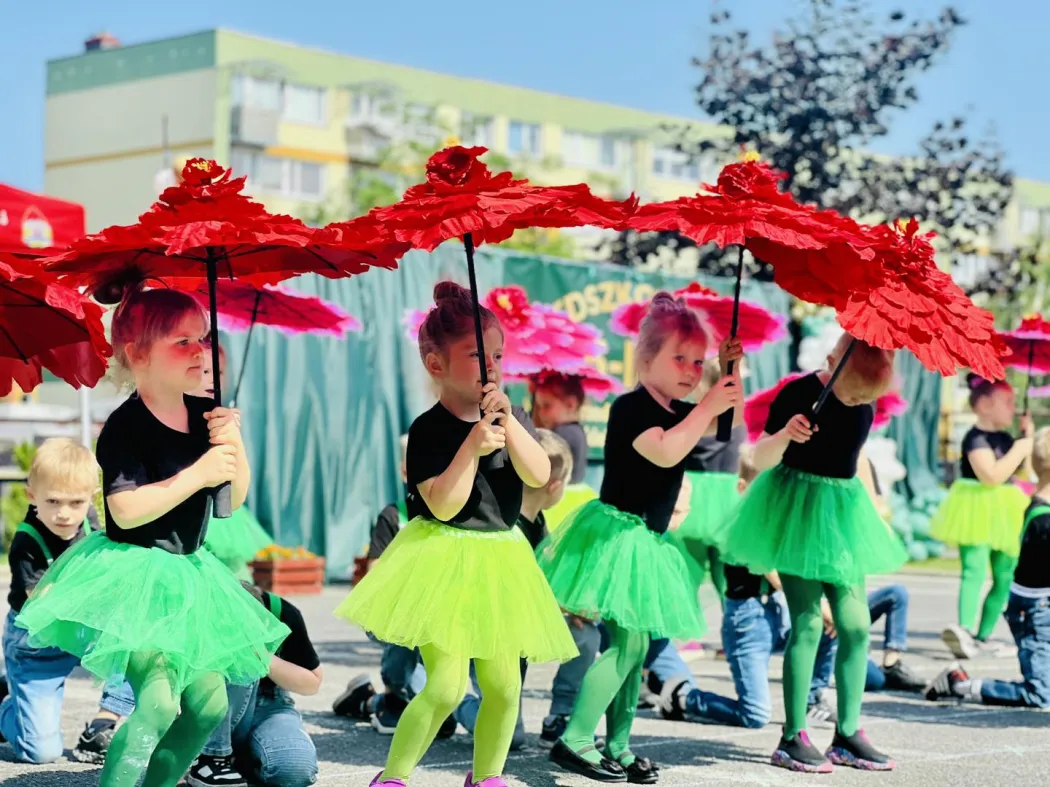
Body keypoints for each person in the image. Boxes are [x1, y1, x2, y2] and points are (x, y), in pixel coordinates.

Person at [14, 285, 289, 787]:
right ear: (138, 355)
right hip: (137, 574)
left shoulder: (205, 417)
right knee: (159, 703)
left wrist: (233, 445)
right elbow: (125, 508)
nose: (200, 351)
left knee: (207, 707)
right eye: (183, 342)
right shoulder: (126, 426)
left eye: (202, 339)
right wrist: (198, 474)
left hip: (190, 575)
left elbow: (234, 499)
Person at [335, 281, 576, 787]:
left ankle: (485, 776)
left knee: (505, 685)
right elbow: (443, 503)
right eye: (477, 355)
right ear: (436, 364)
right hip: (442, 559)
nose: (493, 366)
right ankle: (394, 776)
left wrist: (509, 425)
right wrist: (471, 444)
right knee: (444, 687)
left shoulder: (514, 417)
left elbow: (537, 474)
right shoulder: (429, 429)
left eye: (498, 355)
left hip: (501, 560)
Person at [538, 291, 742, 783]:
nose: (692, 371)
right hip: (618, 538)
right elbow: (667, 451)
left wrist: (729, 373)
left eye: (698, 362)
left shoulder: (677, 410)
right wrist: (709, 402)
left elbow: (716, 434)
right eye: (680, 358)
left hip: (647, 542)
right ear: (644, 357)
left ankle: (620, 744)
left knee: (638, 645)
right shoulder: (631, 408)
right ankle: (576, 737)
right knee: (626, 647)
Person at [716, 335, 908, 773]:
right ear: (838, 363)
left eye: (867, 397)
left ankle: (848, 731)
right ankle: (793, 736)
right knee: (806, 622)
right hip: (794, 510)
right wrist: (786, 434)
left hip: (841, 516)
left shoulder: (865, 402)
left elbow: (850, 460)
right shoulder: (800, 393)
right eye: (856, 391)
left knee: (857, 625)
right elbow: (759, 459)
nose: (861, 402)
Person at [657, 450, 924, 734]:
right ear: (744, 488)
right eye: (767, 485)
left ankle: (813, 696)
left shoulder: (782, 516)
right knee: (755, 714)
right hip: (748, 624)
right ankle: (684, 697)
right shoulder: (736, 522)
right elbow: (769, 569)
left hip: (776, 611)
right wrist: (823, 606)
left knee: (828, 628)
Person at [0, 439, 136, 764]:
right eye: (53, 501)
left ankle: (107, 719)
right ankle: (8, 707)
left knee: (137, 641)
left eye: (75, 503)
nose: (64, 514)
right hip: (37, 644)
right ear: (32, 497)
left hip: (82, 628)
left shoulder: (88, 520)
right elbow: (45, 603)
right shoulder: (27, 543)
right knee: (40, 753)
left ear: (91, 498)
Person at [456, 428, 578, 749]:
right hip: (491, 629)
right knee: (510, 733)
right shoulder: (510, 527)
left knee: (510, 706)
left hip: (516, 629)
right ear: (554, 486)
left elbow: (542, 577)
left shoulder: (538, 523)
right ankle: (458, 706)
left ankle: (551, 711)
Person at [925, 426, 1050, 708]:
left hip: (1038, 609)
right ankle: (960, 685)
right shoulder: (1043, 521)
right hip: (1035, 615)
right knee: (1040, 695)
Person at [333, 435, 446, 738]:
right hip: (399, 615)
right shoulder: (394, 516)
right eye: (420, 469)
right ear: (405, 472)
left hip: (438, 621)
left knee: (442, 714)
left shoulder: (456, 521)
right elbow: (375, 570)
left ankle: (367, 698)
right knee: (430, 706)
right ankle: (386, 694)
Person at [931, 374, 1032, 659]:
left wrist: (1027, 439)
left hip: (1006, 510)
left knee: (1005, 575)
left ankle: (983, 635)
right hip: (975, 508)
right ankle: (963, 630)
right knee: (974, 570)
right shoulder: (974, 438)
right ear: (986, 404)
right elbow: (991, 475)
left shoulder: (1006, 438)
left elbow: (1020, 472)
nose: (1013, 409)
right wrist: (1020, 448)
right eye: (1007, 403)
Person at [187, 582, 321, 787]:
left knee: (295, 771)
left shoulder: (281, 612)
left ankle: (245, 756)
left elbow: (312, 683)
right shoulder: (199, 611)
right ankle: (212, 757)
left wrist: (260, 655)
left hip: (269, 706)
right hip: (214, 709)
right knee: (233, 660)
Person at [196, 342, 274, 579]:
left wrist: (232, 437)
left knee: (232, 572)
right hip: (197, 505)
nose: (212, 380)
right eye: (205, 372)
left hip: (222, 503)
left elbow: (238, 479)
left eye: (218, 373)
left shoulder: (222, 415)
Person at [531, 373, 598, 530]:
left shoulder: (563, 434)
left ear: (570, 404)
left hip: (561, 501)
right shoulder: (574, 430)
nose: (541, 413)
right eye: (538, 407)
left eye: (547, 406)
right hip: (572, 497)